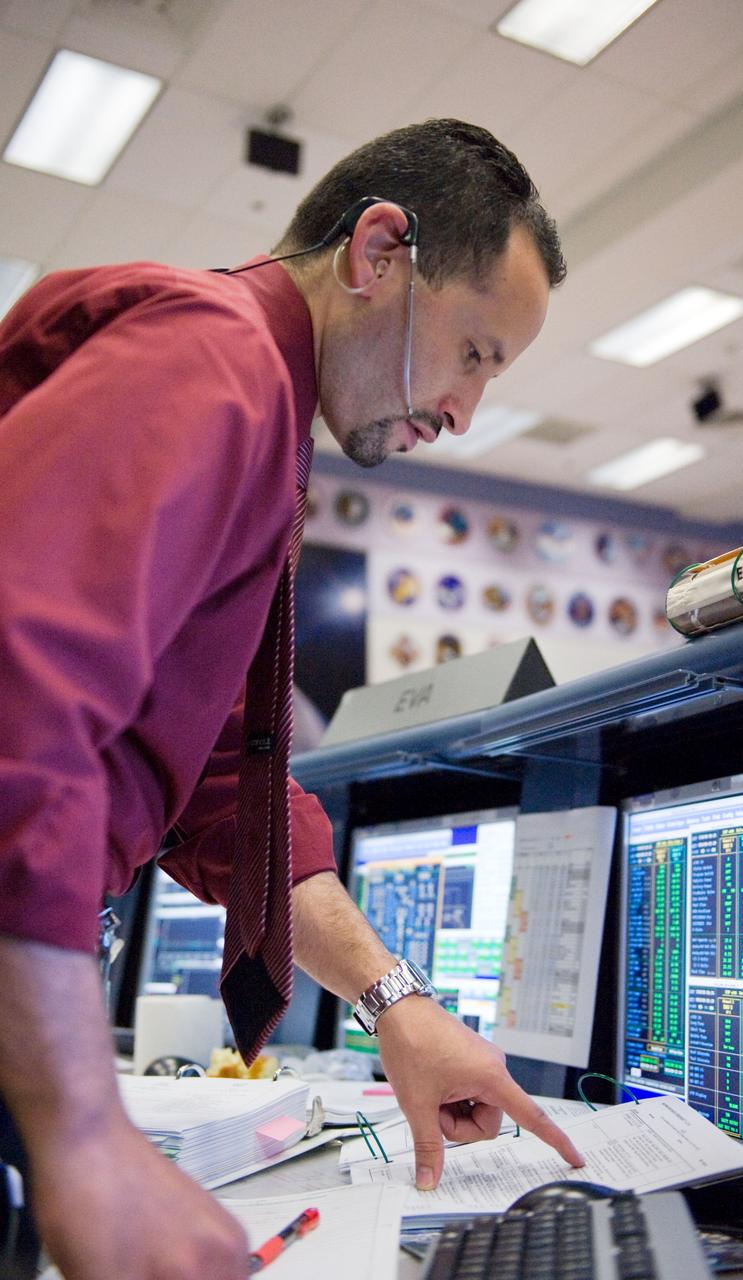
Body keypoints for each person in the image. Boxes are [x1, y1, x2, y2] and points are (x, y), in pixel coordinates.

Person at [0, 119, 582, 1280]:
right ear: (377, 252)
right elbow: (20, 699)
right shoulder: (211, 363)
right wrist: (81, 1134)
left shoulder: (255, 412)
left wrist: (394, 1003)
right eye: (473, 352)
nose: (465, 411)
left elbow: (218, 782)